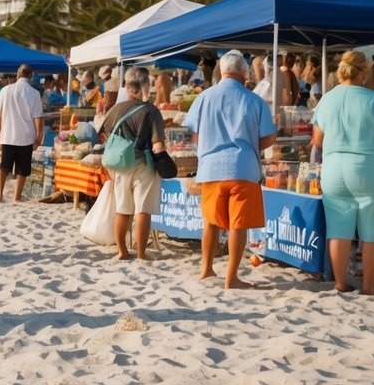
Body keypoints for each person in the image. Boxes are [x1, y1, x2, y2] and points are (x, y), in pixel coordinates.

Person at [183, 49, 277, 289]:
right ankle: (231, 277)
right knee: (238, 224)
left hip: (211, 168)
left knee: (211, 222)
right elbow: (268, 138)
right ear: (245, 73)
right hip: (243, 167)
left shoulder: (204, 97)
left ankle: (206, 269)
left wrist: (205, 148)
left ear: (222, 71)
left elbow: (193, 134)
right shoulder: (253, 99)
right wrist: (249, 144)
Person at [311, 50, 374, 295]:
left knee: (339, 229)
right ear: (363, 72)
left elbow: (317, 140)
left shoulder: (326, 99)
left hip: (334, 170)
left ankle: (340, 283)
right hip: (369, 169)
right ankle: (369, 288)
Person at [97, 67, 168, 259]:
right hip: (144, 162)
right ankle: (141, 253)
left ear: (127, 87)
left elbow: (103, 133)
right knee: (143, 210)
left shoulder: (115, 109)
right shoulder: (151, 111)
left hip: (121, 164)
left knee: (123, 210)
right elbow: (157, 143)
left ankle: (122, 251)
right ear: (145, 86)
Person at [0, 64, 44, 203]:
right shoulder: (34, 93)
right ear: (31, 76)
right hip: (26, 137)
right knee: (22, 169)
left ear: (18, 74)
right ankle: (17, 197)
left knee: (4, 166)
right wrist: (38, 138)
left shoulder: (6, 90)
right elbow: (38, 118)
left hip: (8, 135)